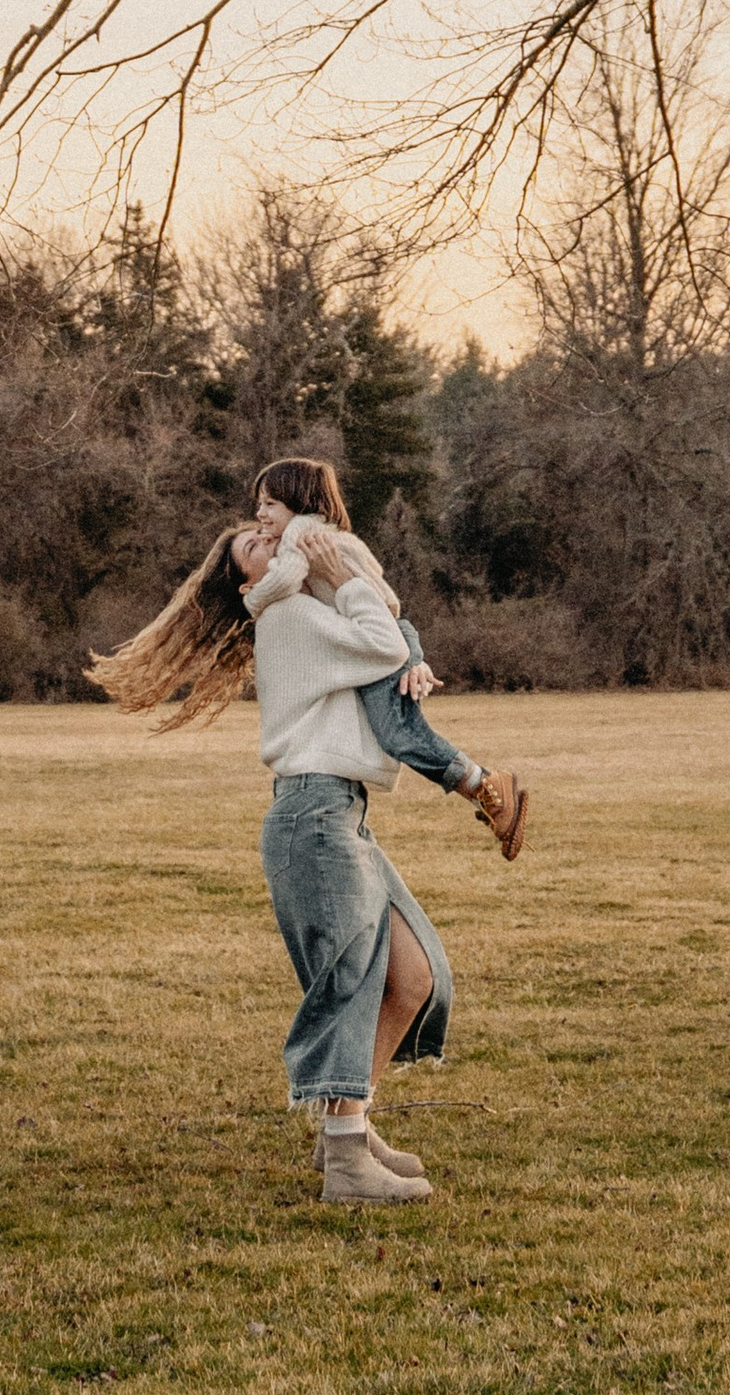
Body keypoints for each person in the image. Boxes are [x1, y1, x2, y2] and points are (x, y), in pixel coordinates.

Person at [88, 510, 455, 1206]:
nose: (269, 539)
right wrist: (342, 573)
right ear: (248, 577)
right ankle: (346, 1160)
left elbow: (385, 644)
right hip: (313, 814)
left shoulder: (301, 609)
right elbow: (378, 640)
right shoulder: (286, 614)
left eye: (263, 530)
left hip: (342, 810)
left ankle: (345, 1125)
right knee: (352, 976)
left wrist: (414, 656)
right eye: (253, 545)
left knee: (411, 976)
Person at [243, 456, 528, 861]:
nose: (260, 513)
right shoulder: (327, 533)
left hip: (385, 631)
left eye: (270, 503)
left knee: (397, 734)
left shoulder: (303, 535)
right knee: (398, 733)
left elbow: (287, 578)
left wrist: (253, 600)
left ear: (299, 501)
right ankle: (484, 788)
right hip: (390, 627)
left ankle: (487, 787)